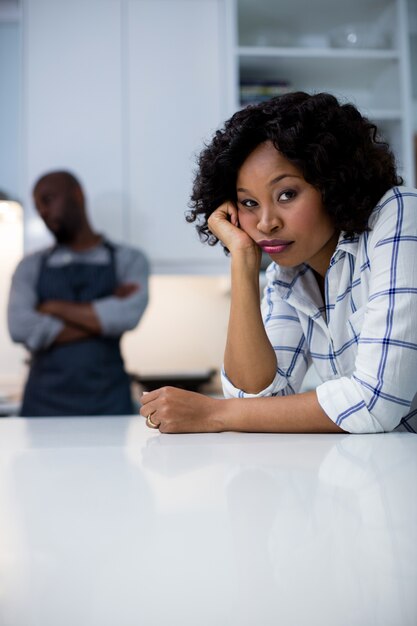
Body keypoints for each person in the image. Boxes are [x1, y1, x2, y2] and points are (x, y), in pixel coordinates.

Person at [140, 91, 417, 434]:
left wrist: (214, 413)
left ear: (333, 182)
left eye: (286, 194)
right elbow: (255, 398)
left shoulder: (399, 213)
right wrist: (243, 258)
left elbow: (375, 402)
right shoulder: (289, 272)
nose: (266, 223)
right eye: (249, 203)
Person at [8, 170, 149, 416]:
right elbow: (20, 327)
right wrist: (102, 320)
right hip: (42, 408)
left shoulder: (129, 259)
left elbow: (127, 317)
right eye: (38, 205)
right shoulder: (29, 266)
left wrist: (52, 307)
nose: (42, 211)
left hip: (109, 405)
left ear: (78, 195)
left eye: (48, 199)